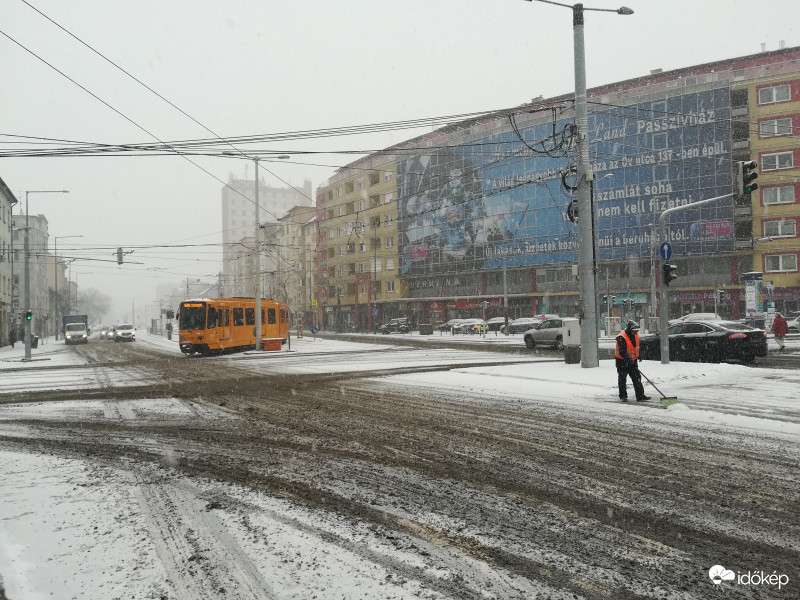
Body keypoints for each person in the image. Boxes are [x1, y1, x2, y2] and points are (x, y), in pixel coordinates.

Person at [615, 320, 650, 402]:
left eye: (637, 331)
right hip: (621, 362)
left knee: (637, 378)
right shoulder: (621, 337)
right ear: (630, 329)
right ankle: (623, 396)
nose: (636, 332)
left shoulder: (635, 335)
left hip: (632, 361)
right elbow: (622, 352)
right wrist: (629, 361)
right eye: (634, 331)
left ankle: (640, 395)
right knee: (622, 379)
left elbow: (635, 347)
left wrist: (638, 355)